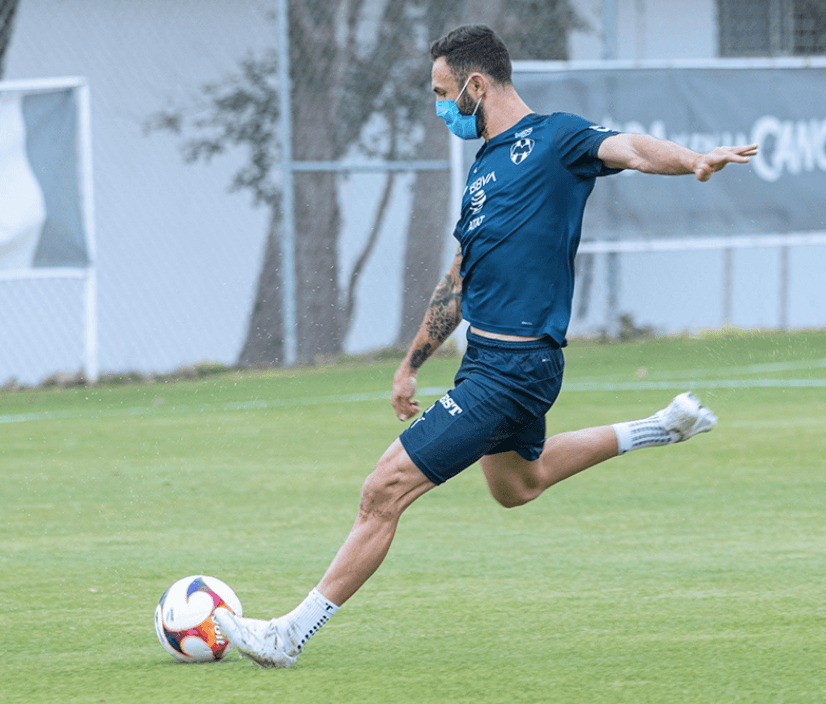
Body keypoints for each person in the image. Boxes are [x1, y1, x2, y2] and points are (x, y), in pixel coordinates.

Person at [214, 24, 758, 668]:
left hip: (513, 369)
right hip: (494, 363)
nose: (439, 106)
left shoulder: (558, 139)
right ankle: (659, 428)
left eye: (442, 92)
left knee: (382, 490)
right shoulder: (484, 168)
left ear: (476, 85)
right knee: (516, 485)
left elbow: (632, 148)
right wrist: (411, 364)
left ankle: (287, 636)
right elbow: (459, 278)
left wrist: (690, 159)